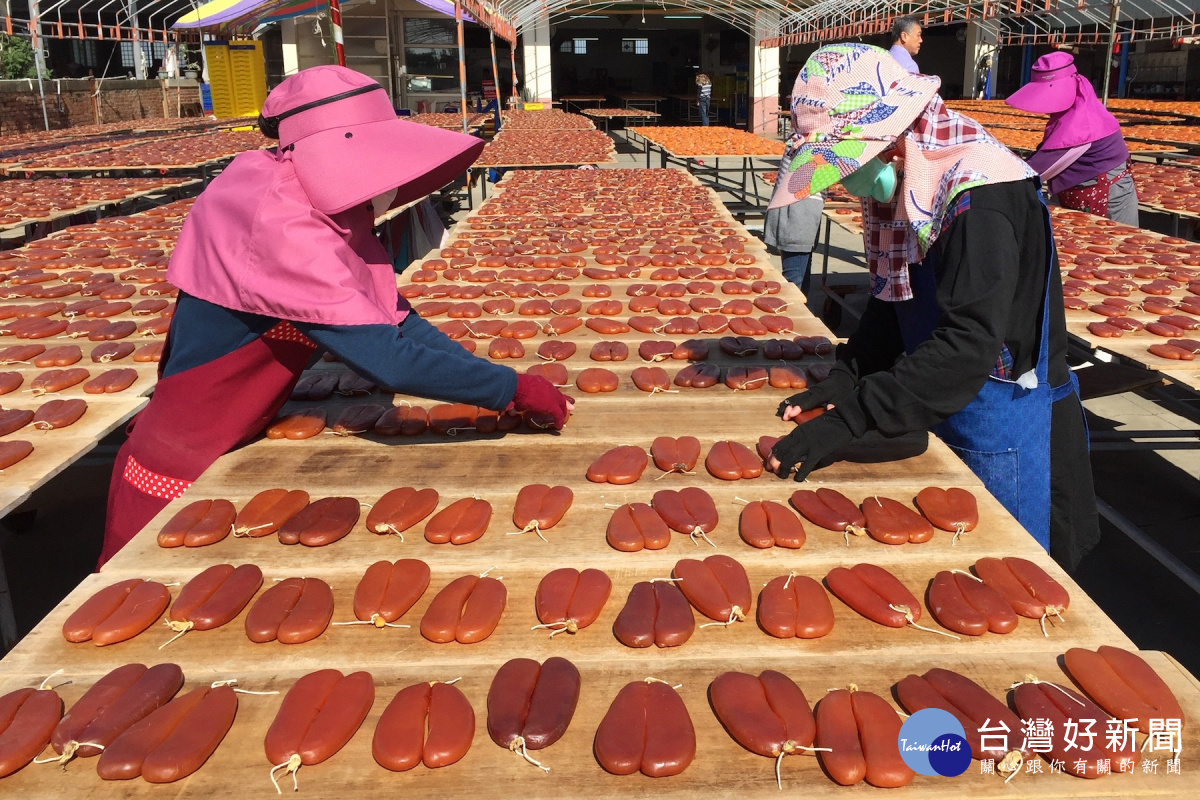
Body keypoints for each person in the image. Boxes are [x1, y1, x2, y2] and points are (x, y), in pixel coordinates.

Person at [99, 67, 573, 565]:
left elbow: (394, 320)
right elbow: (388, 358)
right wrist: (509, 389)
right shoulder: (279, 217)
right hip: (181, 465)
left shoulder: (313, 199)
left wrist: (495, 380)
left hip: (238, 442)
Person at [765, 43, 1098, 569]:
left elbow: (969, 341)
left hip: (1000, 411)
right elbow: (898, 296)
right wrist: (850, 375)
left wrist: (852, 418)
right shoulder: (919, 180)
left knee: (1003, 572)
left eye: (844, 161)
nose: (843, 181)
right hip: (941, 390)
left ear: (890, 138)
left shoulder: (978, 195)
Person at [1006, 51, 1138, 226]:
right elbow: (1045, 151)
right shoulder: (1076, 105)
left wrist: (1000, 178)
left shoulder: (1080, 124)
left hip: (1109, 198)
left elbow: (1039, 168)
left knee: (1115, 245)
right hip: (1088, 190)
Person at [765, 71, 826, 293]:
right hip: (796, 220)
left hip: (797, 219)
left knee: (799, 280)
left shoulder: (804, 137)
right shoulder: (810, 144)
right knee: (794, 286)